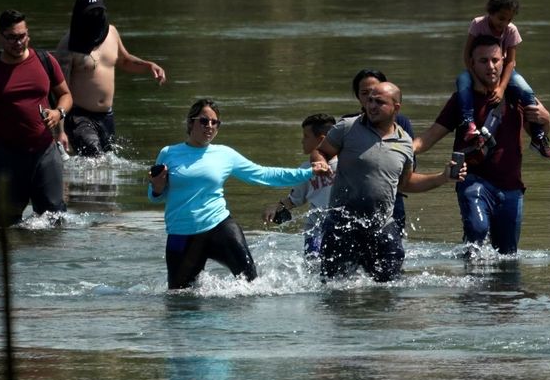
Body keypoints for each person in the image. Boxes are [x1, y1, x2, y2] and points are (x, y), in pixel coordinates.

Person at [148, 99, 330, 289]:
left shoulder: (225, 154)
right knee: (178, 299)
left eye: (214, 122)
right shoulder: (169, 153)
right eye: (203, 121)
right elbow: (154, 196)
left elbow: (263, 174)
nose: (209, 126)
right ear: (190, 122)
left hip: (220, 227)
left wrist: (308, 172)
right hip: (181, 233)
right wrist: (157, 188)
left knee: (253, 286)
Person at [412, 35, 550, 255]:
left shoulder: (517, 96)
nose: (491, 66)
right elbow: (428, 138)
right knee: (476, 232)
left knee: (508, 254)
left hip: (511, 186)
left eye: (495, 60)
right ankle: (470, 286)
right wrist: (396, 150)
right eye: (483, 61)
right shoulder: (461, 100)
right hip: (473, 180)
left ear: (504, 60)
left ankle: (501, 290)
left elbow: (539, 136)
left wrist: (546, 118)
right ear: (471, 63)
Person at [313, 82, 464, 282]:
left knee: (389, 288)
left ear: (396, 108)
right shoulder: (347, 127)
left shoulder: (405, 143)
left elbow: (405, 183)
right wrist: (320, 163)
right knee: (333, 289)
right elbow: (320, 151)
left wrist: (442, 177)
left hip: (382, 226)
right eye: (370, 100)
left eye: (380, 102)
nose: (372, 106)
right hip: (342, 225)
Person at [0, 9, 73, 227]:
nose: (18, 43)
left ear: (28, 34)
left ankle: (52, 262)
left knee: (56, 222)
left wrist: (58, 113)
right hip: (5, 157)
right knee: (6, 228)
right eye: (11, 38)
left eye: (22, 36)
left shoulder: (45, 61)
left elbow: (65, 95)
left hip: (45, 153)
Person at [55, 0, 167, 157]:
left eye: (98, 12)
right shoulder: (68, 45)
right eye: (90, 13)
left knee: (107, 166)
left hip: (107, 116)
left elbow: (124, 61)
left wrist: (149, 66)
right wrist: (60, 131)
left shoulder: (112, 33)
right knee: (95, 156)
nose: (95, 16)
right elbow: (59, 91)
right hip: (80, 116)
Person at [456, 0, 550, 159]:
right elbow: (467, 55)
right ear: (491, 13)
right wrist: (476, 80)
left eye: (509, 19)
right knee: (462, 83)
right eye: (501, 18)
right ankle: (469, 123)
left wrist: (502, 88)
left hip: (503, 70)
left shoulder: (511, 30)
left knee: (527, 92)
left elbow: (510, 62)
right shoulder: (478, 24)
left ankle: (538, 136)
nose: (504, 23)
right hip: (477, 69)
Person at [261, 113, 338, 258]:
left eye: (306, 136)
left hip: (339, 229)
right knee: (313, 271)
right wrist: (275, 208)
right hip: (314, 232)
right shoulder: (306, 170)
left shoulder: (345, 164)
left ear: (321, 140)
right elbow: (293, 200)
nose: (302, 141)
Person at [348, 68, 413, 233]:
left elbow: (409, 169)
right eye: (365, 94)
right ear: (358, 97)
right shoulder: (348, 125)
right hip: (353, 204)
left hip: (392, 200)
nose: (372, 100)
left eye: (377, 94)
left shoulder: (401, 125)